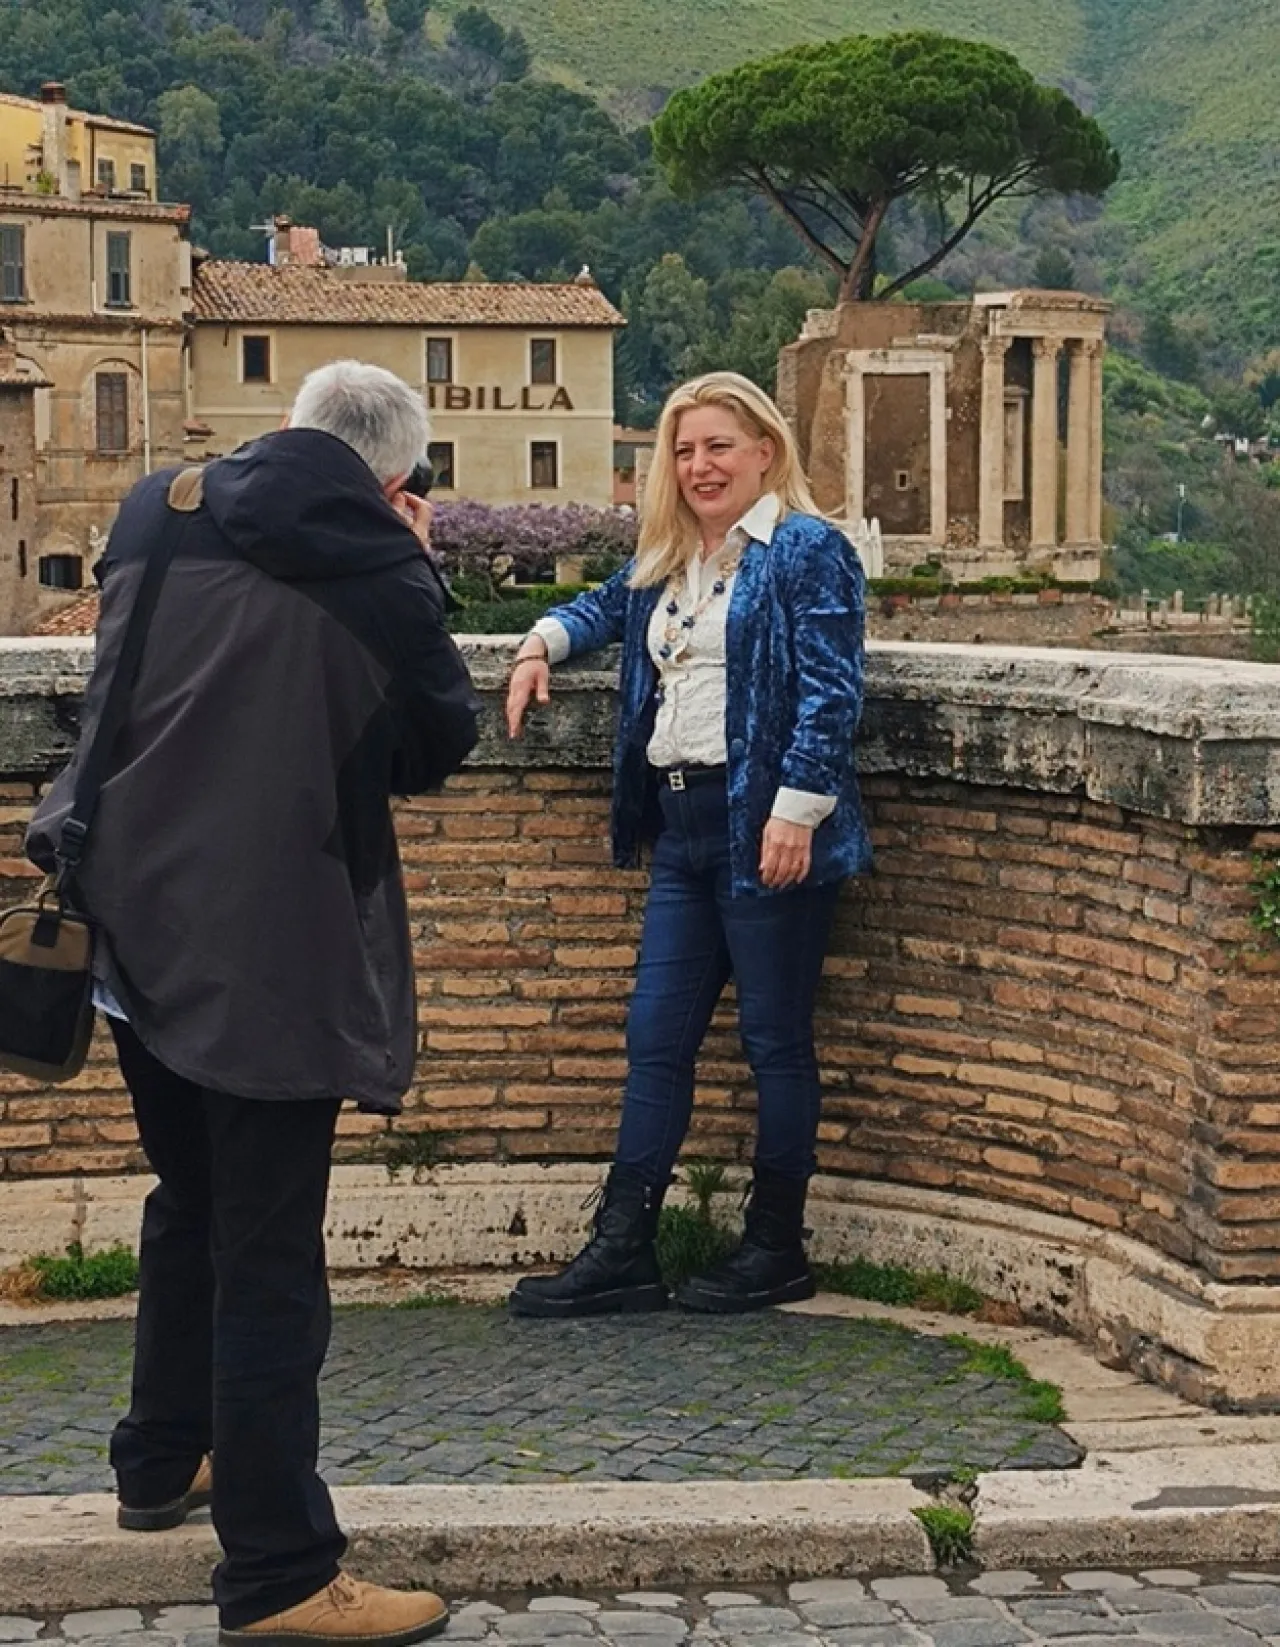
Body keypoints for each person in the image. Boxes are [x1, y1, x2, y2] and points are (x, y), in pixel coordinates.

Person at [26, 361, 480, 1647]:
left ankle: (162, 1455)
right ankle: (279, 1574)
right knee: (271, 1254)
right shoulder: (384, 570)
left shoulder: (154, 511)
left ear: (289, 428)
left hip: (128, 913)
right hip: (274, 940)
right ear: (398, 481)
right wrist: (415, 566)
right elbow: (432, 745)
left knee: (190, 1198)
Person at [505, 371, 869, 1319]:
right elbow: (602, 608)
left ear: (765, 452)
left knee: (773, 1039)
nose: (700, 465)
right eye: (684, 448)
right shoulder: (670, 555)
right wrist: (539, 643)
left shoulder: (806, 550)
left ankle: (776, 1246)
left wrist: (796, 811)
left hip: (763, 823)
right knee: (655, 1036)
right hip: (680, 827)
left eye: (718, 446)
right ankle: (623, 1247)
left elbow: (832, 690)